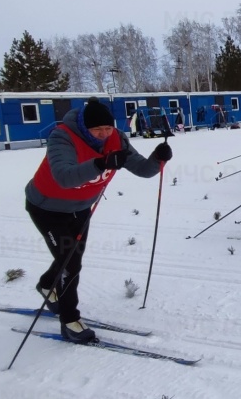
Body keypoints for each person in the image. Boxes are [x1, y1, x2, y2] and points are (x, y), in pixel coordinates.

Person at [25, 97, 172, 344]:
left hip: (81, 208)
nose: (104, 134)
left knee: (71, 257)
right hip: (46, 207)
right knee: (70, 261)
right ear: (85, 127)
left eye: (107, 128)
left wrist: (158, 158)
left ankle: (47, 285)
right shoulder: (62, 137)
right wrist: (101, 163)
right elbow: (64, 177)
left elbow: (143, 170)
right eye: (97, 130)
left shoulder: (118, 139)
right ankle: (70, 320)